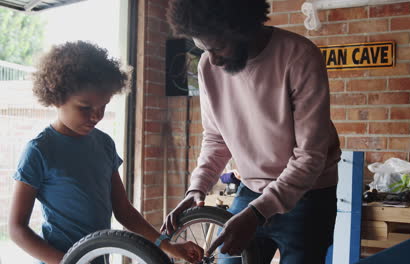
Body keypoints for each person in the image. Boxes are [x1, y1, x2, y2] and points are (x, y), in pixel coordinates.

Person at [162, 0, 342, 263]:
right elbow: (215, 137)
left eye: (218, 47)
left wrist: (257, 214)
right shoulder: (207, 66)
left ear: (243, 28)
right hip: (250, 189)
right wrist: (196, 188)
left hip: (309, 194)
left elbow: (310, 156)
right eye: (202, 47)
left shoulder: (299, 56)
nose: (211, 59)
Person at [7, 41, 203, 264]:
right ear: (56, 96)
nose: (96, 116)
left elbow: (124, 211)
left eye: (104, 106)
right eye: (85, 108)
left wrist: (168, 246)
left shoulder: (104, 144)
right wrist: (70, 262)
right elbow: (16, 228)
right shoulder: (39, 150)